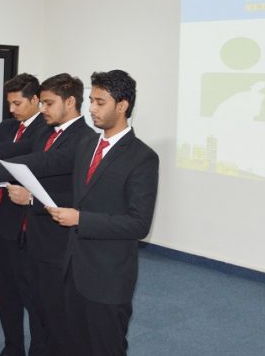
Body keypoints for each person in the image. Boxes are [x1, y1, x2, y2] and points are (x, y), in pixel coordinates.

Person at [0, 73, 94, 356]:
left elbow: (49, 165)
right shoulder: (47, 132)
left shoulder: (85, 138)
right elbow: (12, 150)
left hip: (52, 237)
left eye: (48, 103)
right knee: (12, 295)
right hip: (16, 227)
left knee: (45, 310)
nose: (43, 109)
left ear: (70, 102)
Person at [47, 70, 159, 356]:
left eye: (100, 102)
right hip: (73, 268)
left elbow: (139, 224)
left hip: (109, 278)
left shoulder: (143, 157)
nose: (91, 109)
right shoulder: (86, 145)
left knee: (105, 348)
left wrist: (81, 219)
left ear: (122, 106)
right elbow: (76, 195)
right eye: (91, 101)